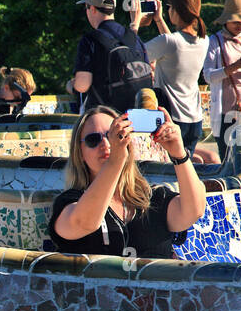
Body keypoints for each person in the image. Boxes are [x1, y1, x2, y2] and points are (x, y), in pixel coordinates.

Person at [48, 106, 207, 259]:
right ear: (79, 152)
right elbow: (85, 223)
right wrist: (115, 160)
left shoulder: (152, 198)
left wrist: (179, 154)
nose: (106, 143)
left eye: (113, 135)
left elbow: (194, 211)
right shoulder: (69, 203)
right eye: (93, 139)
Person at [145, 0, 212, 158]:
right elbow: (174, 45)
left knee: (170, 173)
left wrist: (135, 21)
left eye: (170, 8)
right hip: (194, 120)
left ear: (175, 11)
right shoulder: (204, 41)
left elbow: (133, 54)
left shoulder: (169, 42)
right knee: (184, 167)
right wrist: (159, 20)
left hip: (171, 118)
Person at [70, 0, 150, 111]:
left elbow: (82, 85)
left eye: (86, 7)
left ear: (93, 9)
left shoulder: (90, 40)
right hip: (137, 116)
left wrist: (72, 84)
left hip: (107, 118)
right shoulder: (133, 37)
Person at [203, 0, 241, 158]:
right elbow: (208, 76)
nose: (240, 25)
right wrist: (234, 67)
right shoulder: (215, 41)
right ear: (226, 21)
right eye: (236, 21)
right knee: (227, 157)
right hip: (226, 112)